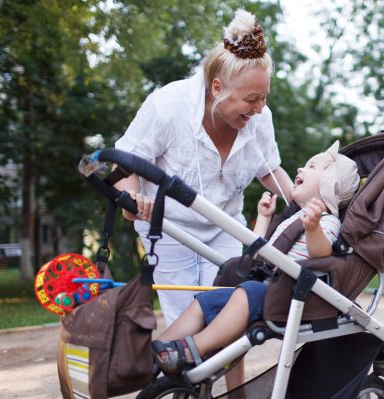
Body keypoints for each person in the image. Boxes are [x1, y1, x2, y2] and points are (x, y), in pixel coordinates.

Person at [114, 9, 293, 328]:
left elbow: (269, 170)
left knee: (229, 311)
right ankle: (184, 377)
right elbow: (126, 161)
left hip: (224, 223)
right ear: (217, 88)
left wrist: (303, 203)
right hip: (168, 226)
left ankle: (230, 379)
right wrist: (131, 201)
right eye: (252, 98)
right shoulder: (169, 106)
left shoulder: (258, 118)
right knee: (185, 317)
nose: (260, 108)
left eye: (264, 98)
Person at [151, 140, 360, 376]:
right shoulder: (293, 218)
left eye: (312, 167)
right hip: (267, 288)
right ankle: (155, 354)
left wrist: (313, 229)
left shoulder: (327, 221)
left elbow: (322, 256)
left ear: (329, 184)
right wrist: (264, 218)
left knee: (246, 291)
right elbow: (262, 253)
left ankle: (192, 350)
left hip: (293, 296)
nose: (300, 169)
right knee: (205, 301)